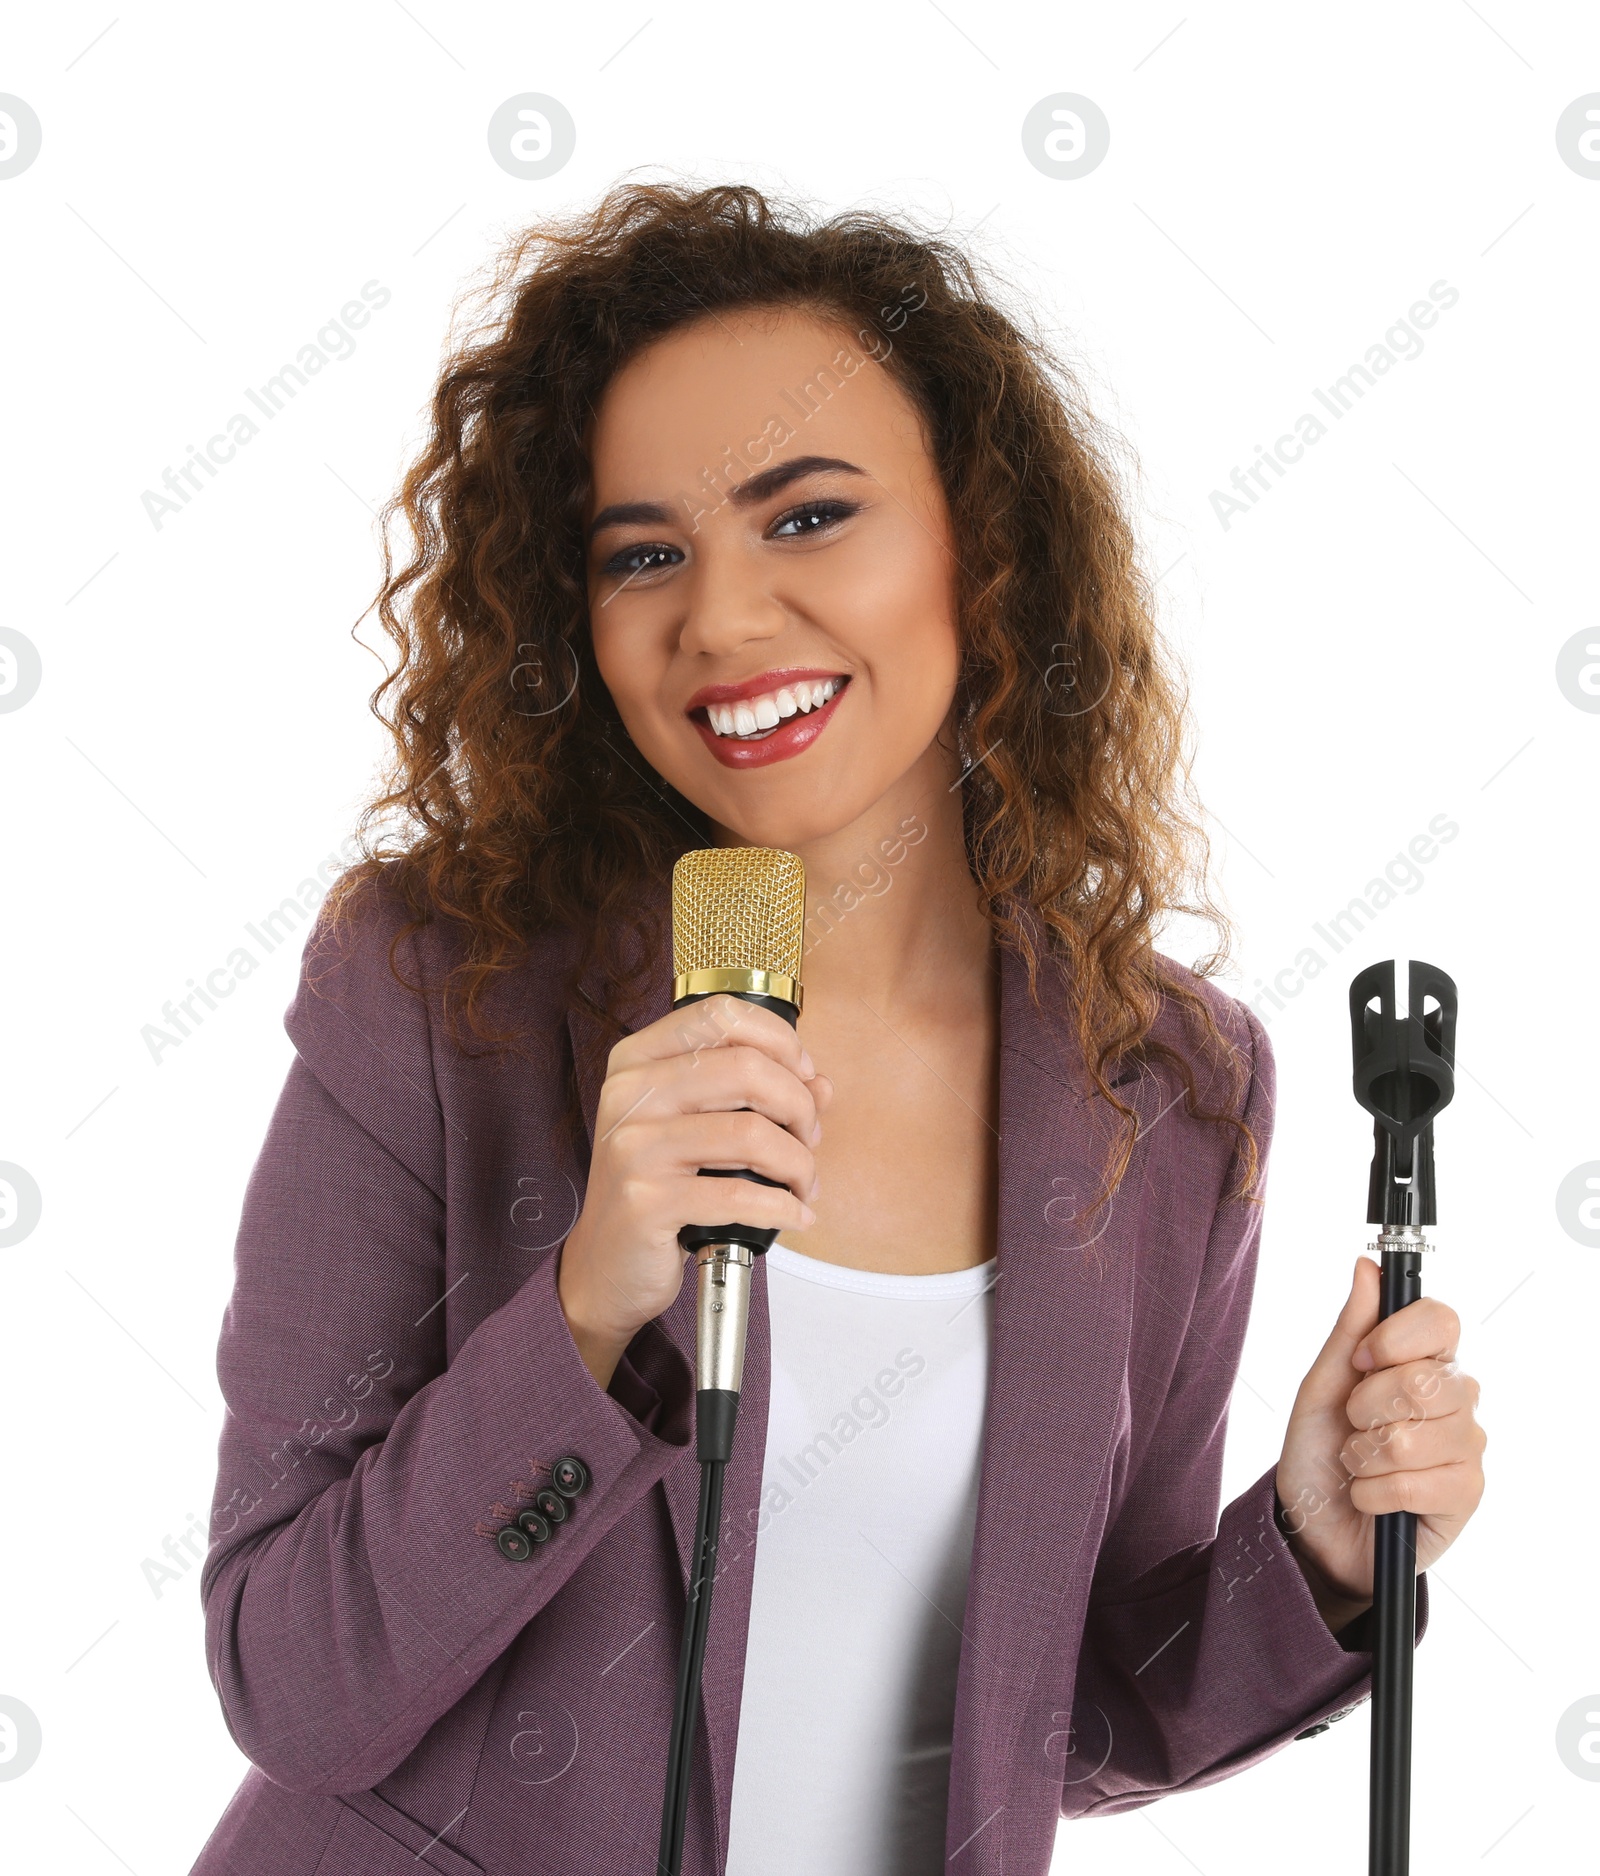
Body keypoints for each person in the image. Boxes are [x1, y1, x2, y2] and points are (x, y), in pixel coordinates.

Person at [189, 181, 1486, 1876]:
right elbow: (293, 1683)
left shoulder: (1163, 1082)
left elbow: (1065, 1714)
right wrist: (584, 1308)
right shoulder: (442, 987)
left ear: (981, 543)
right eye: (641, 553)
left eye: (806, 517)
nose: (720, 620)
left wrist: (1314, 1548)